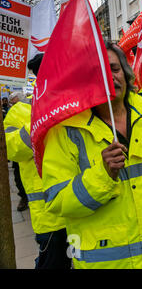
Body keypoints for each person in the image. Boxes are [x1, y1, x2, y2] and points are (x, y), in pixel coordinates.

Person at [41, 42, 142, 269]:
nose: (110, 77)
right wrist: (102, 175)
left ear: (126, 72)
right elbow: (56, 201)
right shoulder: (64, 131)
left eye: (114, 68)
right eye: (98, 71)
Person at [4, 55, 71, 269]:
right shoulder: (20, 111)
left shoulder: (76, 105)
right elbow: (13, 150)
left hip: (84, 206)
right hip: (50, 216)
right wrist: (42, 119)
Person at [8, 92, 29, 212]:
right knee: (18, 177)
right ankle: (24, 197)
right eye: (12, 104)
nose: (13, 106)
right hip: (19, 153)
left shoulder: (32, 107)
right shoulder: (13, 114)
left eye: (15, 103)